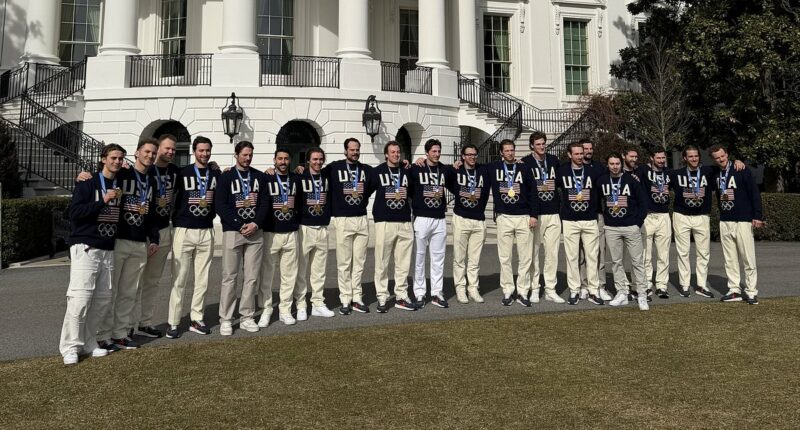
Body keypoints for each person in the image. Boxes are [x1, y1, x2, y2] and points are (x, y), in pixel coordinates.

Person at [59, 143, 126, 365]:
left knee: (102, 300)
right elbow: (75, 213)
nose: (117, 161)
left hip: (107, 247)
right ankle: (70, 347)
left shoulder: (119, 183)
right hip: (86, 246)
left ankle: (89, 341)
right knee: (80, 299)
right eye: (113, 158)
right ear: (103, 159)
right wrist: (102, 201)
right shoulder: (88, 182)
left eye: (120, 158)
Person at [96, 138, 160, 351]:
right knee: (110, 291)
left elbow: (151, 213)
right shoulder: (123, 173)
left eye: (153, 153)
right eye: (146, 152)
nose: (150, 156)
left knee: (129, 292)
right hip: (119, 239)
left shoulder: (151, 180)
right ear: (137, 153)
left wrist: (155, 238)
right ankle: (103, 336)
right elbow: (102, 178)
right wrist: (83, 176)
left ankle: (121, 333)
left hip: (140, 242)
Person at [166, 136, 220, 338]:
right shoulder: (182, 173)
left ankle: (197, 319)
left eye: (207, 151)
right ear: (194, 151)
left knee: (202, 280)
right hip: (184, 230)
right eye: (201, 151)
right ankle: (173, 322)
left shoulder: (216, 174)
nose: (204, 154)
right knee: (179, 278)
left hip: (206, 230)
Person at [215, 141, 268, 335]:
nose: (248, 158)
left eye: (250, 155)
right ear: (236, 154)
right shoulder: (226, 177)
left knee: (251, 277)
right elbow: (220, 205)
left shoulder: (259, 177)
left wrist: (255, 223)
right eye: (244, 155)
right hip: (233, 231)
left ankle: (247, 316)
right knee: (229, 277)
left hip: (255, 232)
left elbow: (265, 203)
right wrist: (238, 224)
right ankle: (226, 319)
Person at [134, 134, 179, 338]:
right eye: (166, 148)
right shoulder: (143, 170)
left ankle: (145, 322)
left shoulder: (175, 171)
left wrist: (214, 165)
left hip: (163, 230)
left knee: (152, 281)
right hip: (140, 231)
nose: (169, 152)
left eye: (173, 150)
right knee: (133, 281)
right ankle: (124, 325)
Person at [322, 138, 373, 314]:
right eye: (352, 150)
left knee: (359, 262)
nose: (355, 153)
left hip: (361, 218)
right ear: (345, 151)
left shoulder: (366, 170)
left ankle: (357, 297)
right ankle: (345, 298)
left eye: (357, 150)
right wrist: (298, 169)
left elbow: (385, 174)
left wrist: (406, 163)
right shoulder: (334, 167)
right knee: (344, 262)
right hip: (343, 219)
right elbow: (314, 173)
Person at [709, 145, 763, 305]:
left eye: (722, 156)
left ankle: (752, 292)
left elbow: (754, 193)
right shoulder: (715, 173)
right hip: (725, 220)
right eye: (717, 157)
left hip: (743, 220)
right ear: (713, 159)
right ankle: (734, 290)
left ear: (727, 154)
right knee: (730, 259)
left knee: (748, 258)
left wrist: (757, 216)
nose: (720, 159)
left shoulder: (741, 169)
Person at [487, 139, 539, 306]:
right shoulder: (494, 168)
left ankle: (523, 291)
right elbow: (474, 168)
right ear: (501, 153)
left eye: (512, 150)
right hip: (504, 217)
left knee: (525, 257)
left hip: (523, 216)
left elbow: (533, 192)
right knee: (505, 257)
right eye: (507, 150)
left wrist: (534, 215)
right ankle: (508, 290)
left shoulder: (524, 167)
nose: (510, 153)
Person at [598, 153, 649, 310]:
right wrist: (605, 220)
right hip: (611, 227)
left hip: (631, 227)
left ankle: (642, 294)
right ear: (607, 165)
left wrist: (637, 223)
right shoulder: (602, 181)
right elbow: (598, 201)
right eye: (611, 163)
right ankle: (622, 292)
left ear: (621, 164)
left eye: (617, 163)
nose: (615, 166)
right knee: (616, 262)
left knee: (637, 262)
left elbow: (643, 203)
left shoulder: (631, 181)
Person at [369, 141, 416, 312]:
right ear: (386, 154)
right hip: (384, 222)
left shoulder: (406, 171)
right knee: (381, 262)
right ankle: (382, 296)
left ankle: (401, 296)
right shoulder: (378, 172)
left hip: (404, 221)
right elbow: (365, 191)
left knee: (403, 263)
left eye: (398, 152)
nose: (396, 154)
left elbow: (413, 191)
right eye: (393, 152)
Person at [557, 142, 604, 305]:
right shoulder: (561, 171)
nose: (580, 156)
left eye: (581, 153)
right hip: (570, 220)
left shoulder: (593, 171)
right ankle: (574, 290)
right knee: (572, 257)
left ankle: (593, 290)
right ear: (570, 155)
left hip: (590, 219)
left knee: (592, 257)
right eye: (576, 154)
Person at [259, 148, 301, 326]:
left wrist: (302, 168)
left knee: (289, 275)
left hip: (291, 232)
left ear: (290, 160)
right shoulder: (266, 177)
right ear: (274, 160)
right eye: (280, 159)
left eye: (286, 159)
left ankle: (285, 310)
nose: (283, 162)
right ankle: (266, 310)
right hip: (271, 232)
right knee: (267, 275)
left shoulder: (296, 178)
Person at [521, 131, 563, 303]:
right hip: (535, 214)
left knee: (552, 254)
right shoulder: (525, 162)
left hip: (553, 212)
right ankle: (534, 288)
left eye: (543, 143)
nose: (541, 146)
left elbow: (563, 180)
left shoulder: (553, 161)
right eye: (538, 144)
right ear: (532, 145)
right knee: (534, 253)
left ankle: (551, 289)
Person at [410, 139, 452, 309]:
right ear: (426, 152)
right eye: (433, 151)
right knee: (419, 257)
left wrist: (458, 163)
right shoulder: (416, 168)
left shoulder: (445, 170)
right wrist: (410, 161)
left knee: (438, 258)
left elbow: (458, 175)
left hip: (439, 218)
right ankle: (419, 292)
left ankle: (436, 292)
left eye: (438, 151)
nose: (437, 154)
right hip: (421, 218)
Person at [295, 148, 336, 318]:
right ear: (308, 160)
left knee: (319, 270)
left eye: (320, 159)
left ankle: (318, 302)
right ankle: (300, 304)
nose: (318, 162)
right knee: (301, 269)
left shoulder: (327, 175)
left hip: (322, 228)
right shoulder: (299, 176)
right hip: (304, 228)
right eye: (314, 159)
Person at [447, 143, 490, 304]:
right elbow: (441, 173)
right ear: (463, 156)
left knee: (474, 259)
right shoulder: (455, 171)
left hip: (478, 219)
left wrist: (521, 162)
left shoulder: (484, 170)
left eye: (474, 154)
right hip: (461, 218)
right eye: (469, 154)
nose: (472, 157)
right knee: (459, 258)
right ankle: (460, 287)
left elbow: (504, 163)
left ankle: (473, 288)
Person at [578, 138, 612, 301]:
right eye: (585, 148)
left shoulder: (599, 168)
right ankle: (584, 286)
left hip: (597, 215)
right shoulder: (573, 168)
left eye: (591, 148)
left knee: (599, 252)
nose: (588, 151)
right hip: (578, 216)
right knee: (582, 254)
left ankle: (600, 285)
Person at [639, 147, 672, 299]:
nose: (661, 161)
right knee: (646, 254)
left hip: (664, 215)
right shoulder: (642, 171)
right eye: (658, 158)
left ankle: (661, 285)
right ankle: (646, 284)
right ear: (651, 158)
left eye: (663, 158)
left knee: (663, 254)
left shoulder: (669, 173)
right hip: (648, 216)